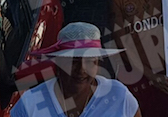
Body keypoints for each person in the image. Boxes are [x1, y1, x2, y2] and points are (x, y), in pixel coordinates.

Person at [10, 22, 140, 117]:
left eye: (89, 61)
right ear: (58, 63)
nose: (81, 70)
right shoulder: (30, 104)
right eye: (73, 61)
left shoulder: (119, 96)